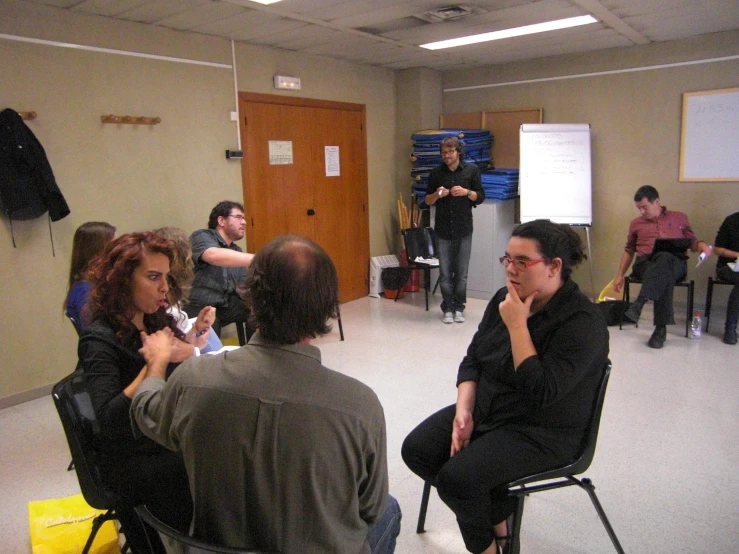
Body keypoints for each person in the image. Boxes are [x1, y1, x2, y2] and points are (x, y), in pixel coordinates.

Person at [132, 235, 401, 554]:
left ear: (251, 298)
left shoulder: (193, 379)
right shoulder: (360, 406)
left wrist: (157, 364)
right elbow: (368, 508)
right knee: (389, 509)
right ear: (327, 307)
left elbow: (145, 411)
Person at [402, 220, 609, 554]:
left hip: (543, 429)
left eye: (522, 262)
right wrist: (464, 410)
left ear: (555, 266)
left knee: (459, 481)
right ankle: (498, 516)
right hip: (490, 409)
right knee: (417, 449)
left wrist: (517, 326)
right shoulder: (504, 297)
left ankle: (488, 549)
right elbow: (474, 358)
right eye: (507, 259)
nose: (510, 270)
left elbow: (541, 392)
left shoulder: (583, 322)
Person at [79, 232, 194, 553]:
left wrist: (187, 351)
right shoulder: (98, 338)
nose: (164, 288)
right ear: (122, 281)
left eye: (166, 277)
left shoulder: (158, 321)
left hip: (165, 434)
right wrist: (153, 365)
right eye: (154, 277)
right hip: (134, 455)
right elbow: (110, 422)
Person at [614, 186, 712, 348]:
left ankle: (641, 300)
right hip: (645, 264)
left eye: (644, 207)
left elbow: (692, 244)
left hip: (676, 263)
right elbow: (629, 250)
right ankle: (660, 329)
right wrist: (619, 276)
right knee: (663, 270)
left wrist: (701, 244)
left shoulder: (680, 217)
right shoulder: (636, 224)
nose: (641, 212)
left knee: (665, 259)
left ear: (657, 201)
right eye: (639, 208)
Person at [424, 136, 485, 324]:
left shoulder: (471, 170)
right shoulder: (436, 173)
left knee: (461, 273)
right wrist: (437, 194)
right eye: (443, 152)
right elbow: (427, 201)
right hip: (442, 229)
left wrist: (466, 192)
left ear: (458, 152)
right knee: (445, 273)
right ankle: (447, 308)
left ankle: (459, 307)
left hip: (464, 228)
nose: (446, 155)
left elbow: (480, 196)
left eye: (450, 152)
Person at [185, 201, 255, 344]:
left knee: (258, 311)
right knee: (210, 322)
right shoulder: (201, 236)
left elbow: (241, 287)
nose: (244, 222)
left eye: (244, 218)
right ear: (221, 220)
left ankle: (254, 353)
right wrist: (260, 259)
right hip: (198, 304)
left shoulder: (237, 251)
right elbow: (212, 256)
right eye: (239, 217)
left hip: (225, 305)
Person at [153, 226, 223, 354]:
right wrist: (194, 348)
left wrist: (197, 328)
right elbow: (170, 353)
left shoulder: (172, 297)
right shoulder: (161, 301)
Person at [63, 221, 116, 332]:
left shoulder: (95, 284)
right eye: (114, 248)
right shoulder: (83, 291)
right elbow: (99, 329)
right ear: (97, 253)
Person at [713, 211, 739, 345]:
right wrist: (737, 255)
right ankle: (730, 329)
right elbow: (717, 249)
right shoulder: (731, 220)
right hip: (727, 266)